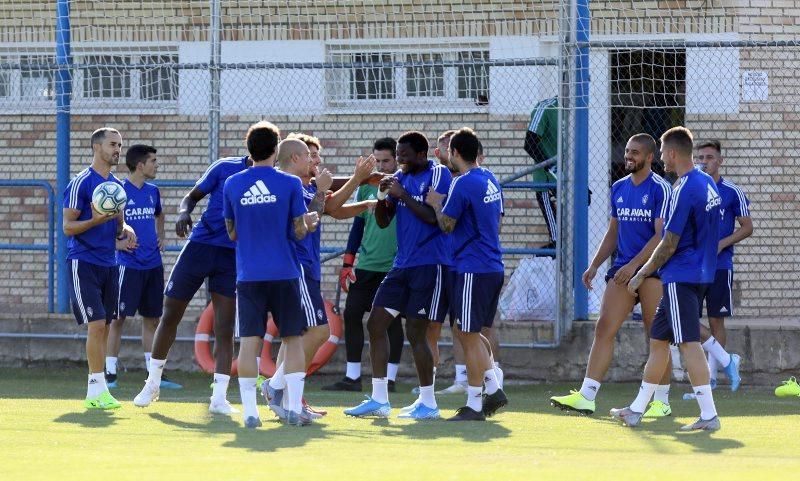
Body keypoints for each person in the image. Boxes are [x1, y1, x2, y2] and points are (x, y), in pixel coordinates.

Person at [549, 134, 673, 417]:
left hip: (653, 271)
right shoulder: (618, 187)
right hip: (622, 272)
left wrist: (636, 268)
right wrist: (594, 265)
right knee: (604, 327)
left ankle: (662, 402)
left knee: (655, 337)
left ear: (650, 157)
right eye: (627, 151)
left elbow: (660, 237)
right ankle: (587, 396)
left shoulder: (660, 189)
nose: (629, 156)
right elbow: (613, 232)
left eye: (635, 153)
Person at [134, 129, 253, 414]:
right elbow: (192, 196)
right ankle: (152, 383)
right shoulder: (225, 167)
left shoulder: (273, 179)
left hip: (232, 256)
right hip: (199, 246)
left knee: (225, 327)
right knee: (170, 313)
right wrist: (184, 212)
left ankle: (219, 398)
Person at [612, 126, 722, 431]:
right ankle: (636, 409)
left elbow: (669, 241)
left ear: (672, 153)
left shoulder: (683, 188)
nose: (661, 158)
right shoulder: (705, 181)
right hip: (699, 273)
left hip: (680, 277)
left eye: (661, 152)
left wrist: (642, 272)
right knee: (659, 341)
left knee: (688, 344)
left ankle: (709, 415)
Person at [262, 134, 377, 419]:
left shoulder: (304, 187)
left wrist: (363, 200)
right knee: (319, 331)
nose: (318, 160)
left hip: (305, 267)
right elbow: (317, 213)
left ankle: (289, 397)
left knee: (296, 335)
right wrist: (354, 179)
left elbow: (331, 209)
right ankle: (277, 387)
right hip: (297, 266)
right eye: (312, 155)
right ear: (296, 157)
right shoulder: (293, 187)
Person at [344, 131, 451, 420]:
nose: (400, 162)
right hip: (401, 266)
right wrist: (382, 195)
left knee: (416, 333)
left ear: (421, 154)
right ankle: (379, 399)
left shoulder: (438, 175)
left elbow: (434, 218)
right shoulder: (400, 179)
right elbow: (382, 220)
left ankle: (428, 403)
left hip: (429, 265)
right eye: (398, 156)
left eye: (404, 156)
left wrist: (401, 194)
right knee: (376, 325)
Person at [221, 123, 320, 428]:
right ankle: (291, 407)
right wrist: (309, 223)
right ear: (276, 149)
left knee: (250, 342)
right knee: (291, 339)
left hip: (249, 273)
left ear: (249, 148)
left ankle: (251, 411)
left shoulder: (232, 184)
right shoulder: (289, 184)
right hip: (284, 271)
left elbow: (232, 231)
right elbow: (298, 231)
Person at [426, 127, 507, 421]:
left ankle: (475, 403)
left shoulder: (462, 183)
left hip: (473, 267)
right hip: (491, 265)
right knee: (469, 332)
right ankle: (493, 386)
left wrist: (436, 204)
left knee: (468, 336)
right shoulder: (490, 179)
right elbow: (497, 222)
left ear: (455, 153)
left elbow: (447, 224)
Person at [63, 127, 137, 409]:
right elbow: (68, 227)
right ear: (96, 147)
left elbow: (117, 224)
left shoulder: (116, 186)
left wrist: (125, 229)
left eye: (119, 145)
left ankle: (100, 389)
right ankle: (95, 392)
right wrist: (95, 220)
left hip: (109, 263)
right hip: (83, 262)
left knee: (105, 326)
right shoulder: (81, 183)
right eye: (112, 144)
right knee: (96, 325)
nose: (117, 149)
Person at [324, 137, 405, 393]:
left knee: (391, 321)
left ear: (396, 160)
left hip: (394, 266)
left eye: (386, 161)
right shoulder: (367, 187)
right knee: (352, 314)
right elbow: (358, 225)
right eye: (377, 161)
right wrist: (348, 263)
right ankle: (352, 377)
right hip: (367, 264)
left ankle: (389, 380)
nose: (381, 165)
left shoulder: (404, 186)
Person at [105, 145, 181, 390]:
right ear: (140, 165)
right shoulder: (118, 192)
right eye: (153, 161)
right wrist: (116, 244)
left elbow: (160, 215)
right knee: (117, 319)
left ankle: (154, 375)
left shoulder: (153, 191)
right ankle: (109, 373)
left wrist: (161, 234)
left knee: (152, 319)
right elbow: (104, 225)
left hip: (153, 265)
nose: (156, 165)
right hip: (127, 266)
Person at [693, 140, 751, 391]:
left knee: (717, 320)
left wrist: (721, 243)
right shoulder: (692, 189)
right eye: (700, 158)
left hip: (720, 266)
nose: (704, 161)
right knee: (689, 321)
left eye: (709, 157)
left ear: (720, 161)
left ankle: (712, 378)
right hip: (693, 266)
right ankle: (727, 362)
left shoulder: (731, 191)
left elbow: (747, 227)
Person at [524, 96, 558, 249]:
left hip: (569, 182)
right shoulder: (546, 107)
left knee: (572, 238)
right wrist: (551, 168)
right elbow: (529, 143)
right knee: (558, 240)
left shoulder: (579, 109)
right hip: (547, 182)